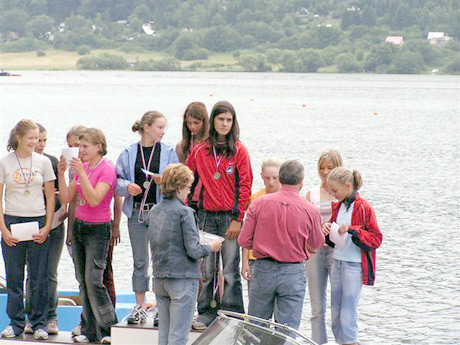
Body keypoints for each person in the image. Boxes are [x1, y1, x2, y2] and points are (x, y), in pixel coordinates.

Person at [186, 101, 253, 329]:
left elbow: (245, 185)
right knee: (207, 269)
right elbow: (187, 180)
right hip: (205, 216)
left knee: (230, 268)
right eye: (220, 119)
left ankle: (234, 314)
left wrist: (238, 218)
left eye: (229, 120)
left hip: (229, 218)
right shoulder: (200, 150)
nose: (224, 124)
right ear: (213, 121)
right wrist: (187, 213)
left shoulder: (239, 150)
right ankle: (206, 312)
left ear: (233, 123)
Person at [238, 160, 324, 335]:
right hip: (293, 271)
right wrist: (305, 248)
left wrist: (262, 242)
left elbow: (244, 240)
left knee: (256, 326)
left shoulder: (258, 203)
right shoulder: (310, 210)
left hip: (263, 269)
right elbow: (317, 243)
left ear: (281, 179)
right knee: (287, 329)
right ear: (301, 181)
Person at [148, 163, 222, 345]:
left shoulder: (154, 211)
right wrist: (211, 246)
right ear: (180, 188)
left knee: (164, 335)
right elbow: (194, 250)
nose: (189, 192)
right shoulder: (185, 212)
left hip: (160, 278)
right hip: (182, 279)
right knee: (179, 336)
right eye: (189, 187)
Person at [116, 111, 179, 324]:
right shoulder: (128, 152)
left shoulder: (168, 152)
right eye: (160, 127)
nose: (163, 132)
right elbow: (116, 181)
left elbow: (179, 182)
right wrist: (128, 186)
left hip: (161, 214)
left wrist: (165, 181)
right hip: (137, 214)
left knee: (164, 259)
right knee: (140, 261)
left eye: (164, 128)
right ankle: (140, 306)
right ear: (146, 127)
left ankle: (163, 306)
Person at [58, 128, 117, 343]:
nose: (80, 150)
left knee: (95, 281)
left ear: (98, 147)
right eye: (79, 146)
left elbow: (95, 199)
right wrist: (62, 173)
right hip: (81, 226)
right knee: (83, 281)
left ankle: (109, 328)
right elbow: (66, 195)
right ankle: (90, 330)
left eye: (85, 146)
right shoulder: (82, 167)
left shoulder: (106, 169)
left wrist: (81, 174)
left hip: (98, 229)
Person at [0, 119, 56, 340]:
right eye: (31, 138)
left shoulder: (43, 162)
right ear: (19, 138)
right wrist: (3, 228)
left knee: (38, 277)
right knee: (14, 277)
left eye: (37, 138)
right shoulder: (5, 162)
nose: (35, 142)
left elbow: (51, 196)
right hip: (12, 220)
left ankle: (39, 322)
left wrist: (48, 226)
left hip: (37, 220)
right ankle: (15, 323)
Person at [323, 167, 382, 345]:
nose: (333, 195)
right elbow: (334, 232)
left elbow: (376, 239)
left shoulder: (364, 208)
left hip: (354, 265)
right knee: (336, 314)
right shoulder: (338, 206)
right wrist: (326, 227)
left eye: (335, 191)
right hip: (337, 261)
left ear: (347, 186)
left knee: (348, 314)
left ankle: (351, 342)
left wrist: (353, 230)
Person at [23, 123, 68, 336]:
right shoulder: (19, 164)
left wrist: (53, 193)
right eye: (37, 140)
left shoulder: (50, 161)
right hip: (30, 224)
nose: (40, 144)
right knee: (32, 274)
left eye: (43, 141)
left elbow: (62, 194)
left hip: (55, 223)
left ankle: (51, 317)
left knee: (50, 272)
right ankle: (31, 317)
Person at [305, 149, 343, 345]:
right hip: (315, 251)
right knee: (316, 306)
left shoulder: (344, 194)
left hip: (338, 251)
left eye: (330, 167)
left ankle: (342, 340)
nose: (326, 172)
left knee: (339, 305)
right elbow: (303, 222)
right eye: (322, 168)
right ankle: (318, 342)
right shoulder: (312, 193)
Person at [241, 157, 282, 286]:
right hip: (255, 258)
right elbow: (248, 232)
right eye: (267, 178)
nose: (271, 182)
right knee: (256, 299)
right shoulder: (254, 199)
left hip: (278, 256)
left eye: (275, 178)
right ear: (262, 176)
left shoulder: (287, 198)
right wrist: (245, 261)